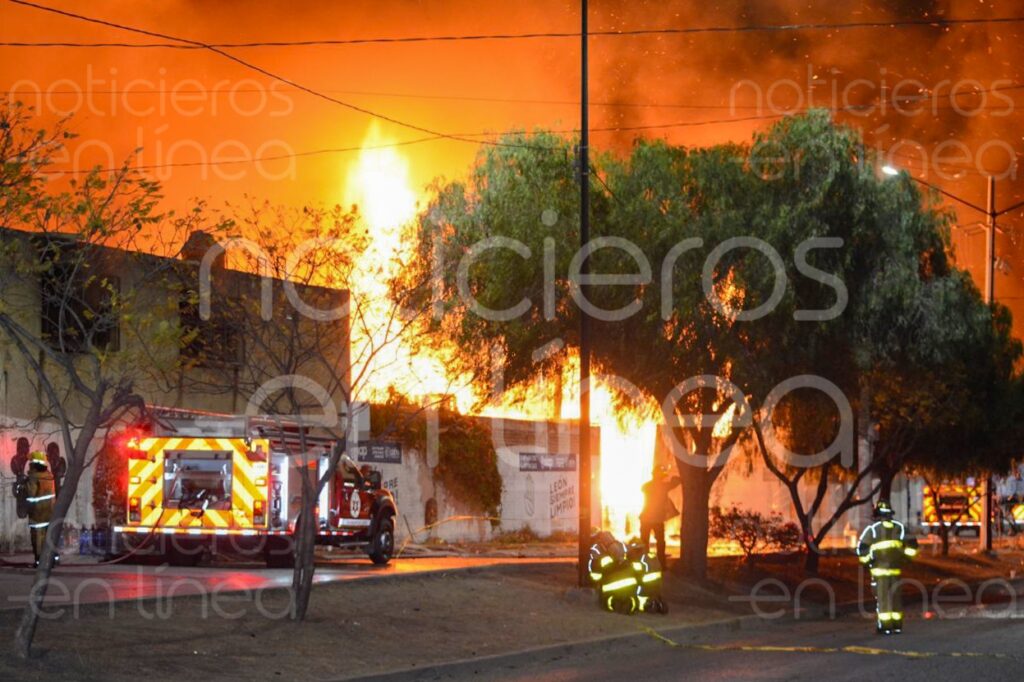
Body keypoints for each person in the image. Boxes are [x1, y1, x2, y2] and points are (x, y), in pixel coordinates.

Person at [857, 500, 917, 635]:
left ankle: (885, 626)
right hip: (895, 571)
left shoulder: (873, 530)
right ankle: (897, 625)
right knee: (896, 598)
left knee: (883, 600)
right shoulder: (899, 528)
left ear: (878, 514)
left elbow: (862, 549)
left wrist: (868, 562)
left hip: (879, 573)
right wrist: (905, 558)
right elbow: (913, 545)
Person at [640, 465, 681, 567]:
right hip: (657, 519)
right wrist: (673, 476)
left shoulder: (647, 486)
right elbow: (676, 482)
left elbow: (643, 488)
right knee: (660, 542)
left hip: (646, 518)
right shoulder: (663, 486)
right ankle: (661, 564)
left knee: (644, 542)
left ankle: (644, 563)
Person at [25, 451, 57, 569]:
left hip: (37, 514)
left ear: (34, 464)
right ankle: (52, 559)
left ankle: (39, 561)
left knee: (37, 539)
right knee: (49, 538)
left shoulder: (34, 478)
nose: (29, 465)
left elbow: (31, 495)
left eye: (31, 462)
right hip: (50, 513)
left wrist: (22, 487)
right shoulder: (49, 476)